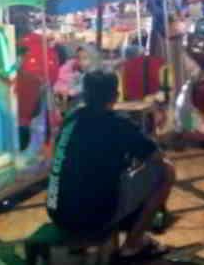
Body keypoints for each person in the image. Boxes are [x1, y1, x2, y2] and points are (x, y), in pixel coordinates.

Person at [47, 71, 174, 260]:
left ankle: (127, 227)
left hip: (57, 212)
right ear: (115, 95)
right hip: (95, 216)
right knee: (166, 170)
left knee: (115, 178)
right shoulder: (118, 124)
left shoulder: (71, 119)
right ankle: (132, 245)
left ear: (86, 94)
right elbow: (156, 156)